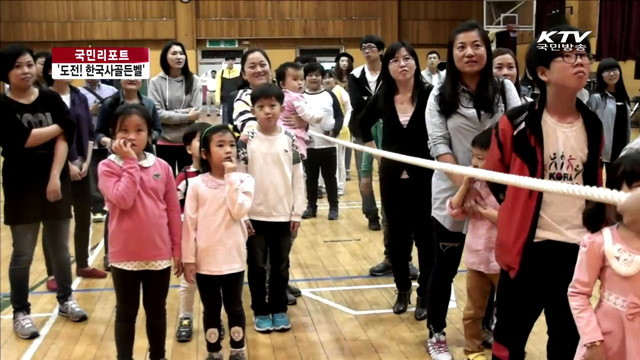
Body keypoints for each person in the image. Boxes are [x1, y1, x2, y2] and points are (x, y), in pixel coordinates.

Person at [485, 25, 603, 359]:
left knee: (566, 341)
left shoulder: (593, 124)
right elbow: (495, 176)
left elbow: (593, 180)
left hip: (575, 252)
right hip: (527, 252)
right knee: (508, 340)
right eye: (568, 56)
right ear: (542, 72)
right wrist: (517, 212)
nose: (580, 62)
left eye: (584, 55)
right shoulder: (515, 123)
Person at [425, 20, 520, 358]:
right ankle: (436, 331)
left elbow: (516, 137)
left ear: (487, 49)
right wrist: (466, 188)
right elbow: (438, 142)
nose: (469, 52)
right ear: (452, 54)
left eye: (476, 45)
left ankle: (485, 327)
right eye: (461, 47)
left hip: (497, 195)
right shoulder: (439, 93)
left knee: (492, 266)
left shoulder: (505, 90)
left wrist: (491, 189)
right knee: (444, 267)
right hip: (453, 194)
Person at [0, 44, 88, 340]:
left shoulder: (50, 97)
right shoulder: (2, 106)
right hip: (19, 186)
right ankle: (21, 312)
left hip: (54, 182)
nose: (26, 71)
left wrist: (54, 178)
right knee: (23, 253)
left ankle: (66, 300)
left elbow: (67, 135)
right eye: (18, 67)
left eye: (28, 65)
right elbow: (22, 140)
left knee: (60, 250)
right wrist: (59, 126)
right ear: (6, 73)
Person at [98, 104, 182, 360]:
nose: (131, 136)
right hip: (124, 255)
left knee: (157, 312)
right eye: (124, 130)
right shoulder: (107, 168)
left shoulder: (163, 168)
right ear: (113, 133)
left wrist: (177, 249)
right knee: (126, 312)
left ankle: (158, 355)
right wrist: (131, 163)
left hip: (158, 254)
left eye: (139, 130)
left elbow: (171, 211)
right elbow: (123, 199)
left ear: (149, 134)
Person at [358, 41, 435, 321]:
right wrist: (374, 151)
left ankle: (424, 294)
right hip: (392, 179)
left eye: (407, 58)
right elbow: (360, 123)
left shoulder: (430, 94)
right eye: (394, 60)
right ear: (387, 67)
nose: (401, 64)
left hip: (425, 179)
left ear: (416, 63)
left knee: (427, 241)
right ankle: (402, 289)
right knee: (399, 240)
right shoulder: (383, 96)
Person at [237, 83, 305, 333]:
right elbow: (239, 180)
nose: (267, 111)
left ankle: (279, 309)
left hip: (283, 216)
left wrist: (296, 211)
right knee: (255, 267)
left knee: (280, 266)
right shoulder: (246, 142)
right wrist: (243, 215)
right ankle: (260, 311)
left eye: (272, 106)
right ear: (253, 110)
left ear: (280, 107)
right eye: (261, 107)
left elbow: (298, 177)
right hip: (254, 217)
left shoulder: (289, 140)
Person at [182, 124, 254, 360]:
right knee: (211, 310)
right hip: (205, 262)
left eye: (231, 144)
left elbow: (237, 210)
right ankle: (214, 352)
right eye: (220, 145)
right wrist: (188, 259)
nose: (228, 150)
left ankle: (238, 349)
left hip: (233, 259)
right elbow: (189, 224)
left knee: (235, 308)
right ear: (204, 153)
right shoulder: (196, 184)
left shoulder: (244, 181)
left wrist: (231, 177)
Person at [569, 152, 640, 360]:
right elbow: (578, 293)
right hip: (608, 340)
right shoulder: (599, 242)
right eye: (636, 189)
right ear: (615, 195)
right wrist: (593, 340)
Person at [43, 55, 107, 281]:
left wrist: (87, 161)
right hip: (55, 167)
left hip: (83, 165)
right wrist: (67, 164)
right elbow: (48, 136)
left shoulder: (79, 96)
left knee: (84, 216)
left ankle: (82, 264)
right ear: (50, 71)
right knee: (55, 219)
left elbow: (89, 132)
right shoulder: (45, 98)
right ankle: (53, 274)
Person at [95, 78, 163, 270]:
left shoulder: (148, 103)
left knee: (147, 205)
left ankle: (150, 248)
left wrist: (147, 137)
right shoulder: (110, 103)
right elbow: (99, 133)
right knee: (116, 209)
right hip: (118, 163)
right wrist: (112, 143)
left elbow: (157, 129)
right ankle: (112, 253)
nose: (132, 78)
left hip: (145, 160)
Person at [446, 128, 500, 360]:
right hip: (477, 258)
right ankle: (473, 349)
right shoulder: (474, 184)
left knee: (508, 311)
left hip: (501, 261)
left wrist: (484, 212)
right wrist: (466, 183)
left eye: (481, 157)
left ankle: (505, 349)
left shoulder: (507, 185)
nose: (475, 162)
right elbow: (454, 210)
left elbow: (511, 220)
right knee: (472, 311)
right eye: (474, 156)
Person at [175, 122, 213, 343]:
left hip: (215, 241)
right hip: (192, 240)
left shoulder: (222, 176)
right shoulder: (184, 177)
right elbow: (173, 207)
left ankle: (214, 318)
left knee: (215, 284)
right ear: (189, 148)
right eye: (200, 139)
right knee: (189, 283)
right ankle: (185, 317)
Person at [349, 34, 385, 234]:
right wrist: (376, 105)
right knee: (364, 178)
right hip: (362, 131)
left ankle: (388, 214)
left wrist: (372, 103)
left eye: (371, 47)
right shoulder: (355, 75)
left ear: (380, 50)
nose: (366, 50)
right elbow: (357, 104)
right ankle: (371, 214)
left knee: (386, 174)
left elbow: (391, 100)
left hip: (387, 130)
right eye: (363, 47)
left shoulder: (389, 73)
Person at [149, 40, 203, 174]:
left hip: (188, 142)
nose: (179, 57)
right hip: (164, 141)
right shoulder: (155, 82)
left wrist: (170, 114)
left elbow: (196, 111)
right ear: (165, 57)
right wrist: (186, 116)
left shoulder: (194, 80)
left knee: (189, 183)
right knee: (166, 184)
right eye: (174, 53)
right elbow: (158, 114)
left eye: (181, 53)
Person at [301, 62, 343, 221]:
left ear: (322, 77)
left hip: (328, 145)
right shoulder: (301, 97)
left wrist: (334, 131)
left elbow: (339, 116)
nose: (314, 78)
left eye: (317, 75)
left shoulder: (330, 95)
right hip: (309, 146)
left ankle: (334, 207)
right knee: (310, 178)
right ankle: (311, 206)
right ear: (305, 78)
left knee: (330, 178)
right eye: (310, 75)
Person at [274, 61, 329, 159]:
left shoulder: (282, 95)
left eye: (302, 79)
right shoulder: (296, 98)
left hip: (280, 131)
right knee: (296, 158)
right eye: (295, 79)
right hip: (291, 132)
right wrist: (315, 119)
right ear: (283, 84)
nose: (300, 82)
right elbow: (305, 113)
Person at [587, 58, 631, 174]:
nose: (611, 74)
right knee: (596, 183)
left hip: (621, 147)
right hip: (603, 148)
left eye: (614, 70)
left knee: (615, 183)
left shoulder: (623, 97)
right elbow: (589, 124)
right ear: (600, 75)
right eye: (607, 71)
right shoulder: (596, 98)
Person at [216, 57, 242, 124]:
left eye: (232, 60)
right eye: (229, 60)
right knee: (225, 120)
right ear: (226, 61)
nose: (230, 62)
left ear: (235, 61)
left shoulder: (239, 72)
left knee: (237, 119)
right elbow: (218, 87)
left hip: (236, 100)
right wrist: (217, 100)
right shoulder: (221, 72)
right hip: (225, 100)